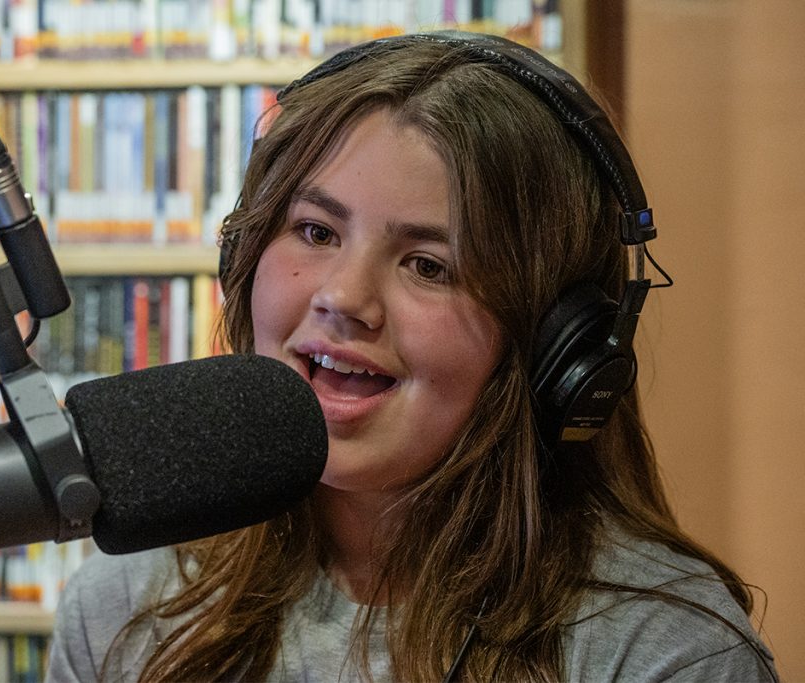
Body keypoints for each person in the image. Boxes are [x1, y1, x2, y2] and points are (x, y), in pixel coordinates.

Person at [45, 32, 776, 682]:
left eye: (428, 265)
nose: (344, 298)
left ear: (554, 345)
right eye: (316, 231)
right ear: (243, 256)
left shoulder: (663, 652)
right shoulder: (126, 608)